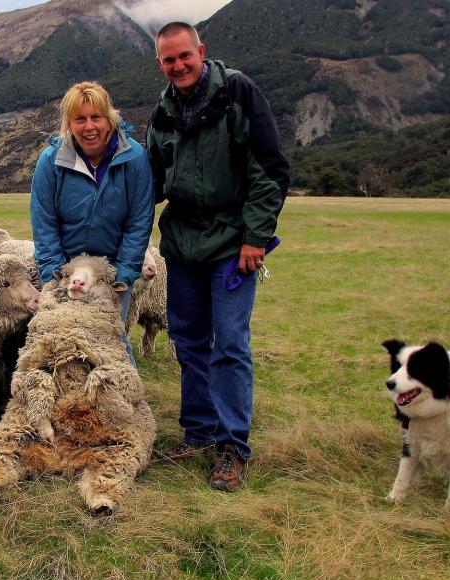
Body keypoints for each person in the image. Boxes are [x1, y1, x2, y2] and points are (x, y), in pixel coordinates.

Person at [147, 22, 290, 492]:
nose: (179, 66)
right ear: (160, 64)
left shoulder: (238, 93)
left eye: (185, 56)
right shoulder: (164, 113)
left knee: (229, 344)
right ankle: (199, 433)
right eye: (169, 60)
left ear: (201, 52)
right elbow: (149, 181)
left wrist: (256, 236)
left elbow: (270, 168)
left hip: (233, 245)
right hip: (183, 245)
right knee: (188, 342)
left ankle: (232, 447)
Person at [30, 81, 155, 363]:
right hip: (64, 272)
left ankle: (127, 403)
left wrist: (122, 275)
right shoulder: (52, 161)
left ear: (110, 119)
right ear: (69, 124)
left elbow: (139, 221)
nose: (89, 127)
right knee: (61, 343)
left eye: (96, 117)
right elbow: (44, 221)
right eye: (80, 119)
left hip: (111, 274)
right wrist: (53, 274)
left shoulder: (134, 158)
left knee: (111, 343)